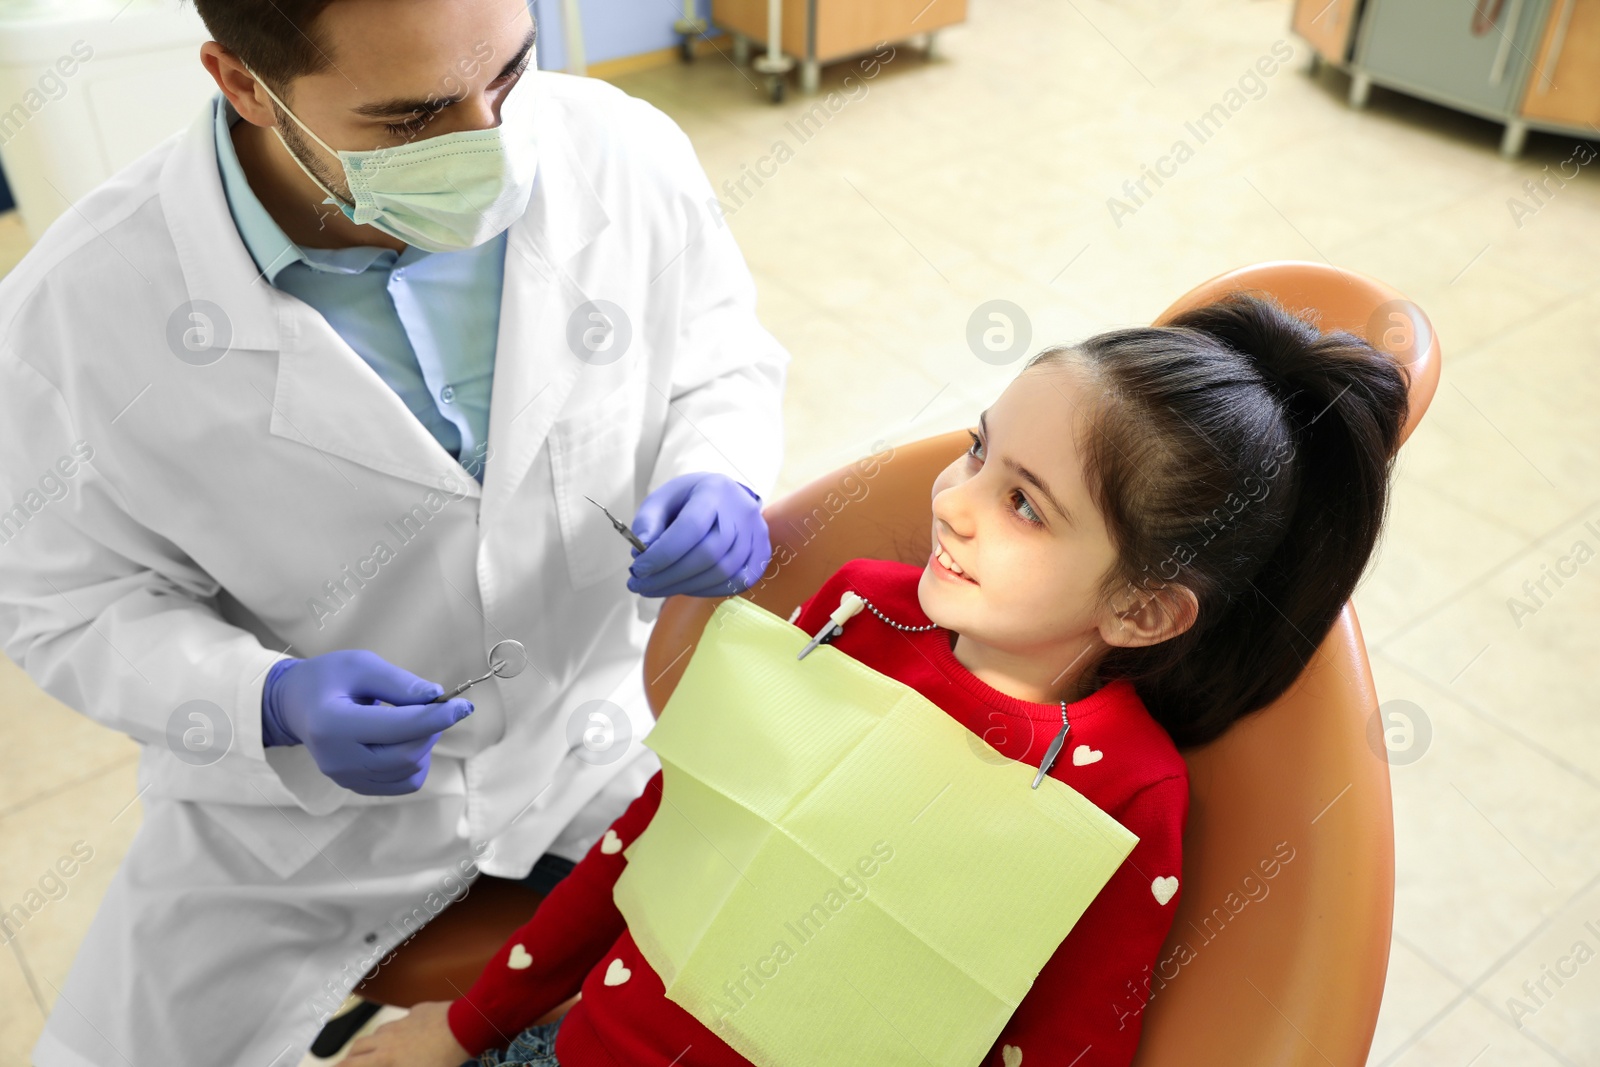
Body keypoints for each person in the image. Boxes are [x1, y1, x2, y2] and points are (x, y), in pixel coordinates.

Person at [0, 1, 789, 1064]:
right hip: (305, 822)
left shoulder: (621, 152)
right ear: (242, 84)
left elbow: (718, 355)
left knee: (779, 966)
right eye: (413, 118)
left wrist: (719, 473)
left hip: (594, 728)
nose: (491, 143)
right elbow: (64, 600)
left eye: (511, 72)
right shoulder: (80, 312)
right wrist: (266, 699)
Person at [340, 292, 1411, 1066]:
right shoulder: (859, 609)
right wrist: (469, 1021)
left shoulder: (1120, 789)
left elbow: (1060, 1047)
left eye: (1025, 502)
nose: (953, 499)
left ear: (1141, 607)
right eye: (980, 451)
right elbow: (658, 833)